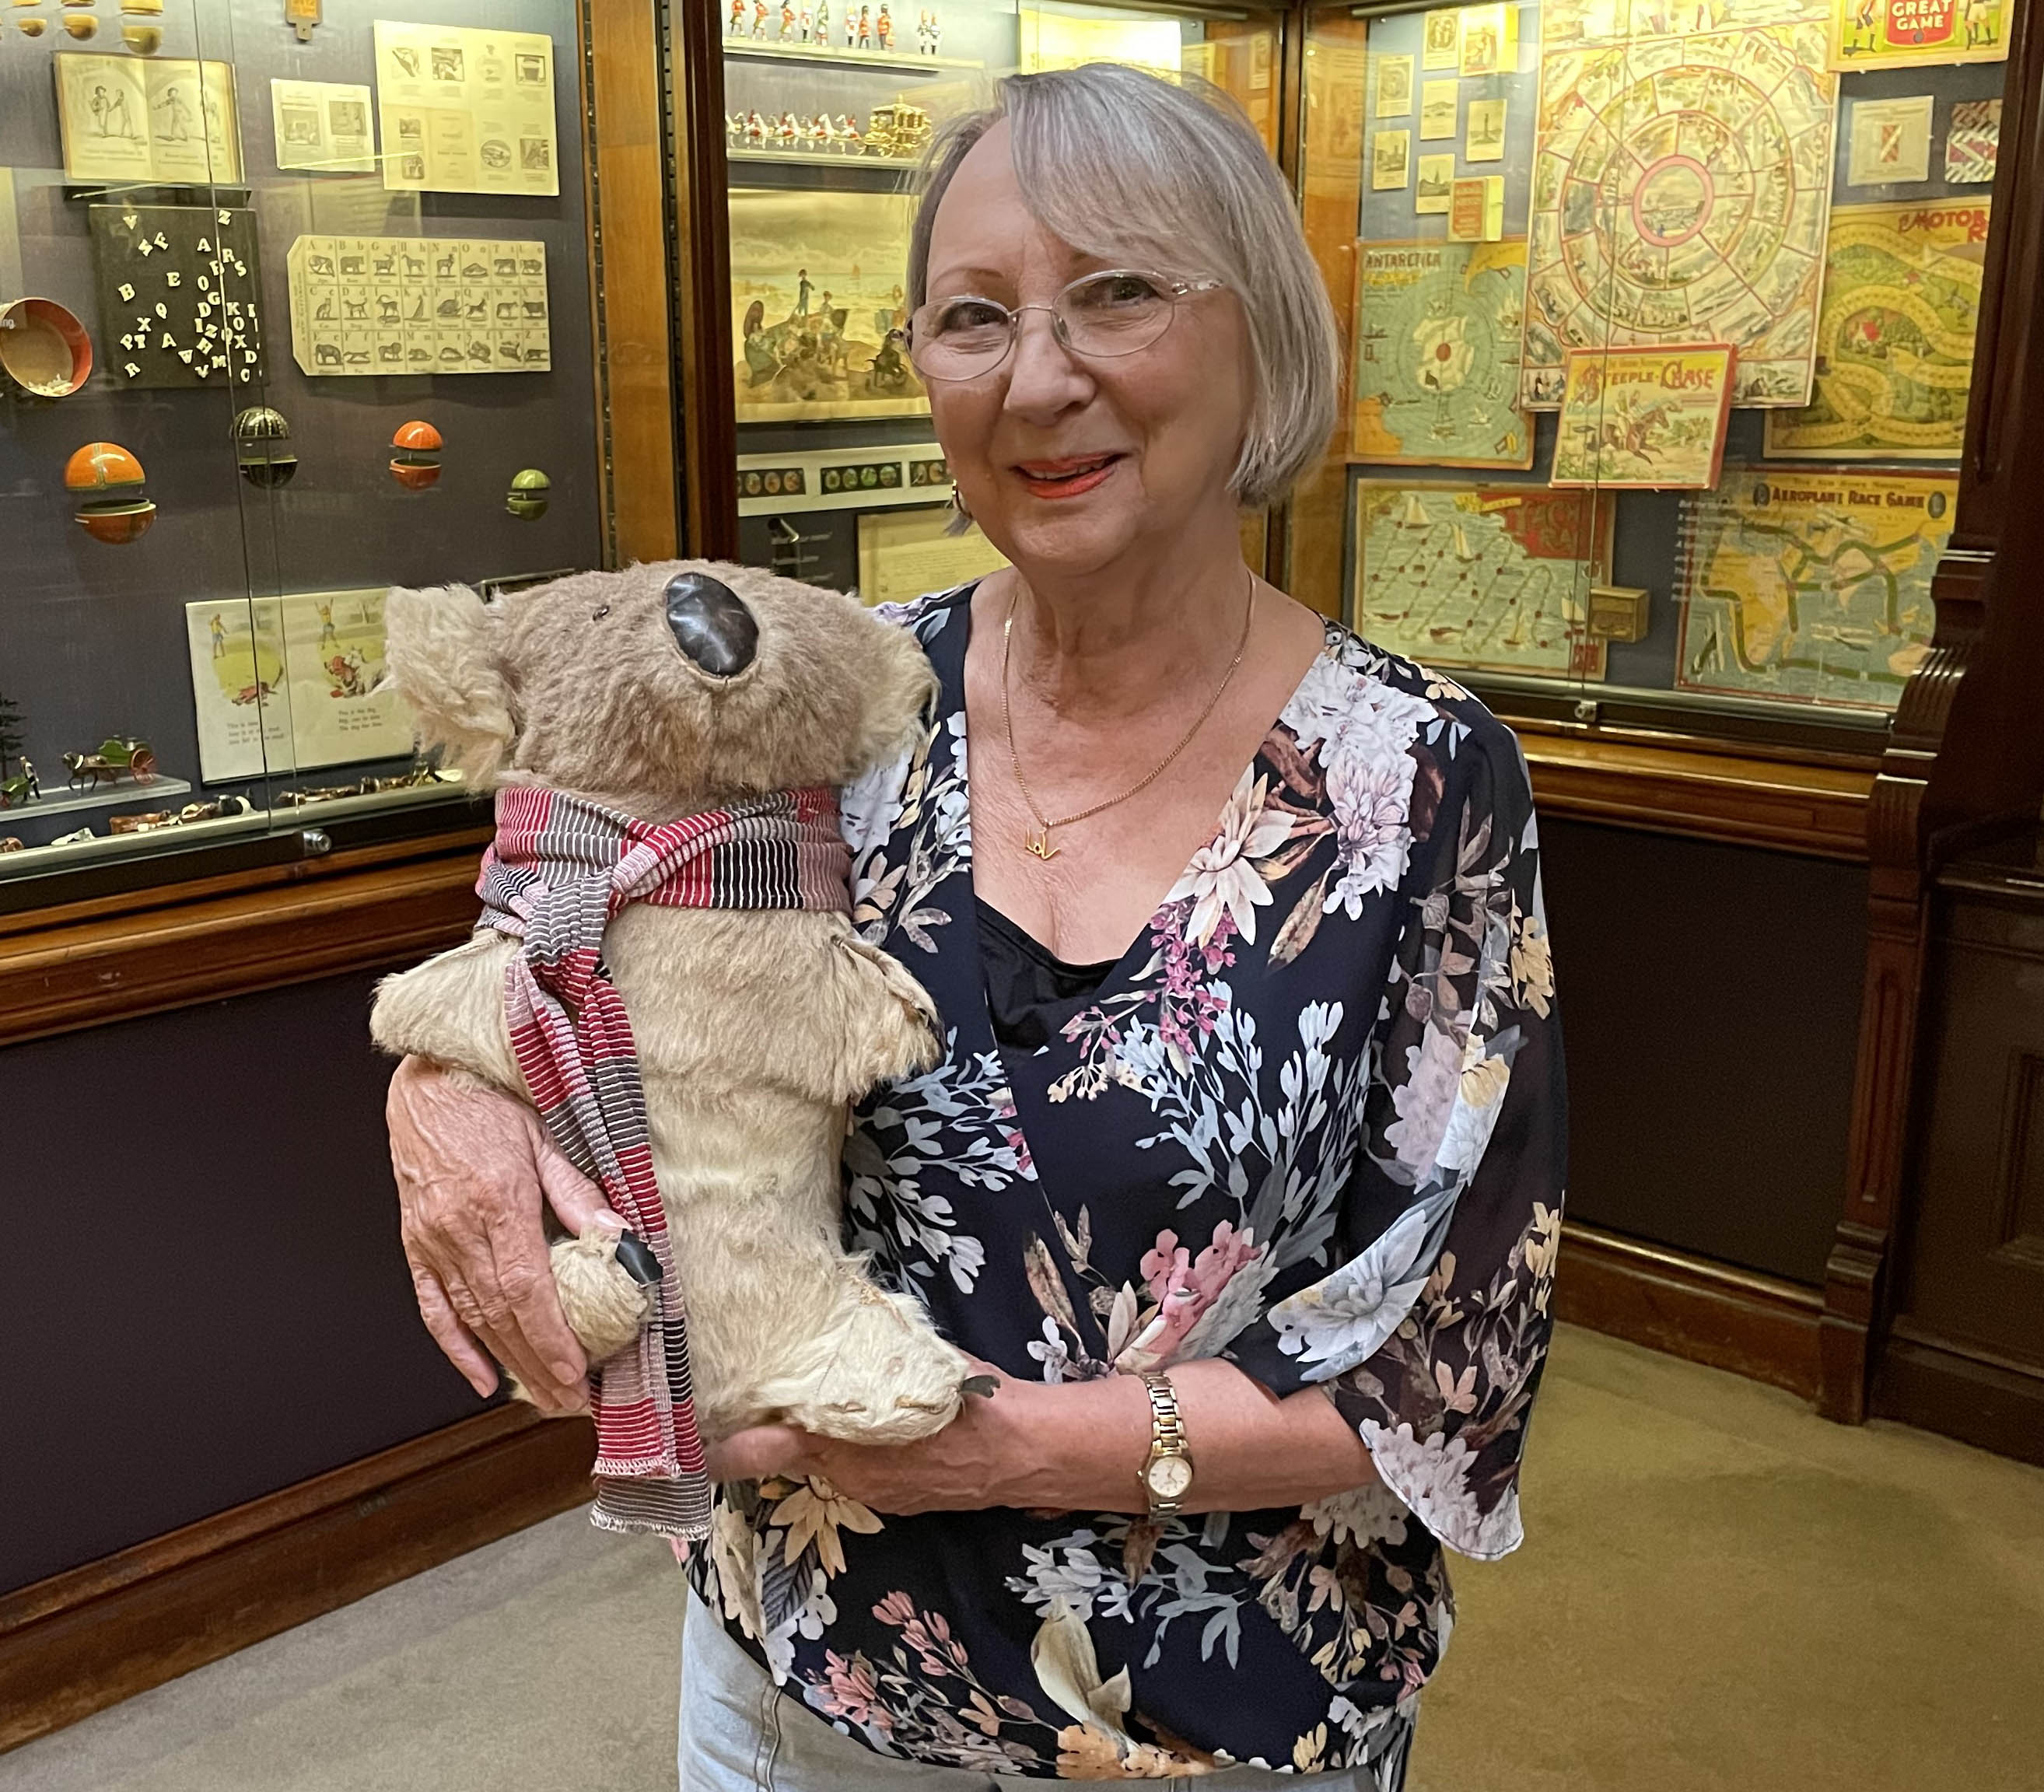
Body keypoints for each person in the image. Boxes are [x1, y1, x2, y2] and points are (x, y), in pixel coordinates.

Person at [385, 61, 1565, 1789]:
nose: (1039, 378)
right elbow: (554, 922)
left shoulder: (1422, 782)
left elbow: (1451, 1374)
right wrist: (449, 1097)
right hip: (799, 1688)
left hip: (1214, 1734)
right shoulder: (825, 699)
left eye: (1120, 294)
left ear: (1261, 343)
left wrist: (1009, 1450)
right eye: (971, 317)